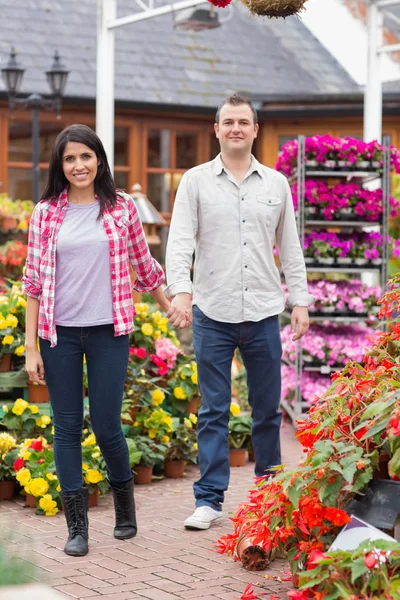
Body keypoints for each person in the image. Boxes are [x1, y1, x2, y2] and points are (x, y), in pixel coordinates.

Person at [22, 124, 173, 557]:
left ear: (100, 160)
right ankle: (77, 527)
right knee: (65, 428)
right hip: (59, 334)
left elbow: (144, 267)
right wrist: (32, 347)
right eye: (69, 159)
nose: (78, 165)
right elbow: (32, 284)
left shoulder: (121, 208)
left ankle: (125, 506)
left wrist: (170, 307)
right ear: (61, 166)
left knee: (107, 425)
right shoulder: (46, 213)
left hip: (109, 331)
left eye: (85, 156)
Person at [165, 94, 313, 530]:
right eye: (228, 121)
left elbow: (290, 247)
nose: (235, 128)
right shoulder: (194, 181)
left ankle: (269, 499)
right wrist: (181, 292)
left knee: (267, 410)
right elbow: (180, 241)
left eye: (243, 122)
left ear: (254, 130)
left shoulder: (276, 184)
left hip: (264, 312)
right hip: (213, 311)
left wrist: (300, 300)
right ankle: (209, 501)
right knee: (214, 410)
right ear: (216, 129)